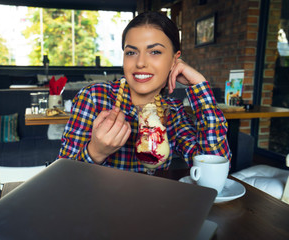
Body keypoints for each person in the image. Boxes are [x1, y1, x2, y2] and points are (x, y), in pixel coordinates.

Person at [57, 11, 231, 172]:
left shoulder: (174, 112)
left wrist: (199, 86)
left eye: (155, 51)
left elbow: (212, 170)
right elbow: (63, 179)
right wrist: (95, 152)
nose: (140, 62)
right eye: (131, 52)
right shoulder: (95, 98)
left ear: (174, 60)